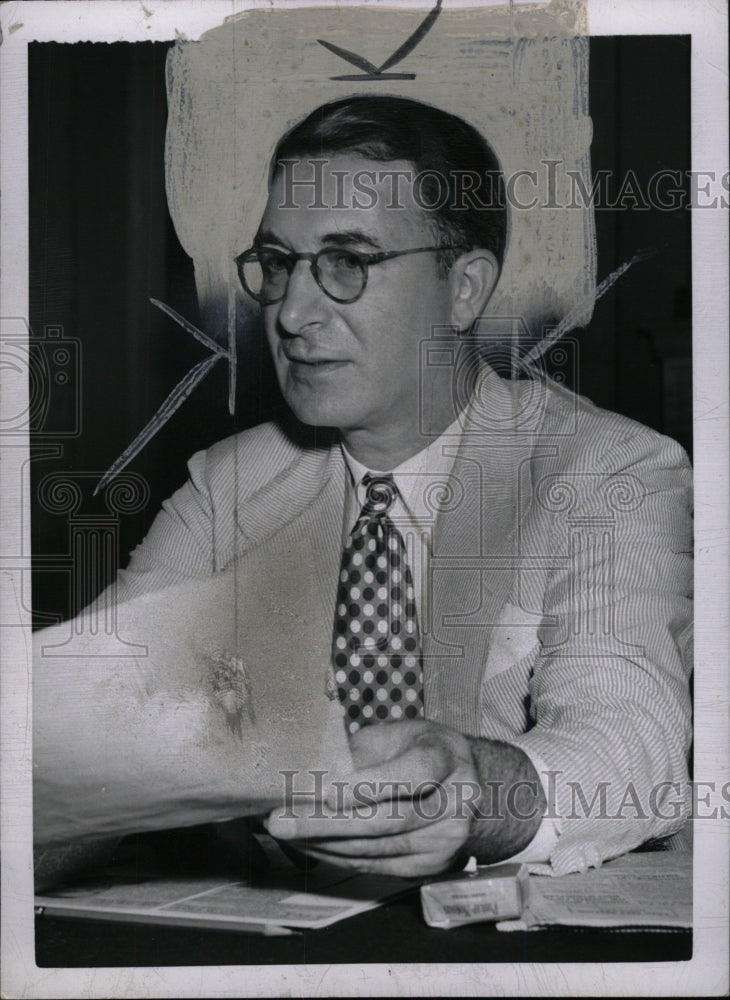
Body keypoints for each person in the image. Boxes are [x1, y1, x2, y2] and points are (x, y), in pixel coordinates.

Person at [33, 95, 693, 886]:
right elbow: (84, 723)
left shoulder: (608, 470)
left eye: (348, 261)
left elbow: (634, 745)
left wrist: (475, 790)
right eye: (279, 264)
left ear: (465, 289)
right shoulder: (230, 483)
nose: (292, 312)